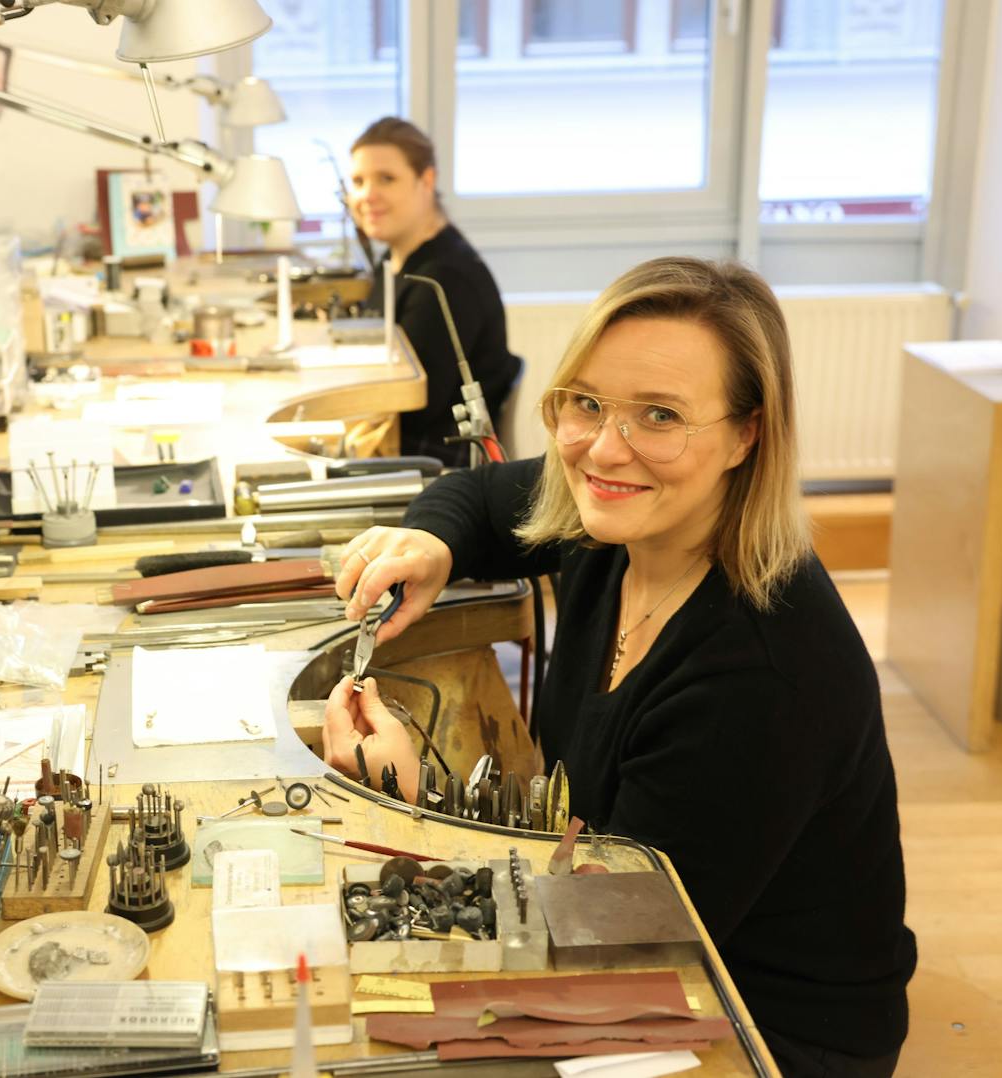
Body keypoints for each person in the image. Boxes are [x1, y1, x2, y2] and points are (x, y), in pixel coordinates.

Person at [321, 257, 916, 1077]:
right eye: (587, 402)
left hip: (757, 1025)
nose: (604, 447)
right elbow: (487, 495)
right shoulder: (612, 521)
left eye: (660, 415)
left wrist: (415, 806)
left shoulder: (762, 675)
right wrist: (431, 542)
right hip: (627, 936)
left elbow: (611, 936)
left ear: (748, 434)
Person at [350, 117, 522, 467]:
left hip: (435, 463)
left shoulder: (443, 279)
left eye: (387, 179)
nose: (367, 195)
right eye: (358, 181)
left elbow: (412, 407)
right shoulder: (400, 259)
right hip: (408, 445)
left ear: (426, 181)